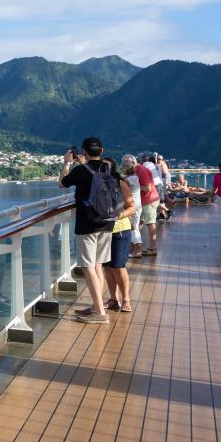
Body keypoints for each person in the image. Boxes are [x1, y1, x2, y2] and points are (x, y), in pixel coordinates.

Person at [59, 137, 117, 324]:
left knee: (88, 266)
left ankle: (100, 313)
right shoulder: (108, 168)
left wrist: (67, 163)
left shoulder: (80, 171)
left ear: (83, 152)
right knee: (98, 264)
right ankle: (96, 305)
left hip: (87, 224)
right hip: (107, 222)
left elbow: (62, 183)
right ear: (101, 150)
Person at [100, 158, 136, 312]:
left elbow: (131, 207)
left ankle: (126, 298)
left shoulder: (121, 184)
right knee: (107, 267)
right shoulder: (97, 186)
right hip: (103, 230)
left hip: (120, 229)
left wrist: (118, 216)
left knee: (118, 266)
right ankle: (113, 298)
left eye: (107, 167)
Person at [135, 155, 159, 256]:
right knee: (138, 223)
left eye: (125, 166)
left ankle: (152, 249)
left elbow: (147, 188)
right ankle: (136, 246)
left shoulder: (141, 170)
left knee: (150, 223)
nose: (124, 168)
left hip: (149, 200)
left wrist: (133, 185)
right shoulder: (138, 170)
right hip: (144, 201)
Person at [121, 155, 143, 258]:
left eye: (123, 167)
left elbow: (120, 185)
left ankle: (137, 251)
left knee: (134, 228)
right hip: (136, 205)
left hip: (133, 206)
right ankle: (134, 249)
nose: (121, 168)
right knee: (134, 227)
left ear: (127, 168)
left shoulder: (129, 180)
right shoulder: (134, 177)